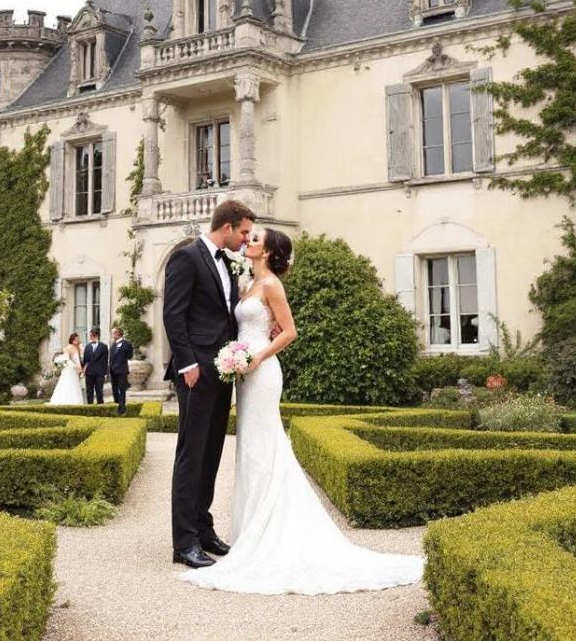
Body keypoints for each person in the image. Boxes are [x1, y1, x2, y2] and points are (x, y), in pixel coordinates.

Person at [179, 227, 423, 594]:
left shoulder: (272, 284)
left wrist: (256, 356)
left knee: (265, 443)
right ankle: (250, 533)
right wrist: (235, 357)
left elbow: (289, 331)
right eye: (249, 236)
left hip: (261, 373)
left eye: (255, 238)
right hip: (243, 373)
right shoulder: (246, 282)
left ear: (268, 251)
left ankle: (272, 531)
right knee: (250, 447)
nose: (249, 241)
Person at [164, 199, 254, 570]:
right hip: (196, 372)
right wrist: (187, 363)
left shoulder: (228, 262)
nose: (247, 239)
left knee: (212, 452)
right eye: (244, 232)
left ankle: (203, 530)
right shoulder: (186, 257)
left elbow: (224, 315)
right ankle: (184, 543)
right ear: (228, 226)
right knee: (191, 455)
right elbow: (174, 313)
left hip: (222, 371)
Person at [47, 332, 85, 405]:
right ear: (72, 340)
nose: (77, 341)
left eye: (78, 339)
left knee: (66, 384)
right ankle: (72, 402)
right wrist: (80, 369)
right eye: (76, 339)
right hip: (72, 370)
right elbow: (74, 360)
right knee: (71, 385)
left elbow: (67, 359)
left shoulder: (67, 348)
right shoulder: (73, 348)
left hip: (68, 369)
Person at [108, 327, 133, 416]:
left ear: (118, 333)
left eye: (113, 333)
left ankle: (122, 409)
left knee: (122, 390)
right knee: (114, 390)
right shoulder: (113, 345)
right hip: (113, 370)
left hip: (122, 370)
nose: (112, 335)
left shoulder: (126, 344)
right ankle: (117, 406)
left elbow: (130, 355)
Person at [81, 328, 109, 405]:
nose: (90, 336)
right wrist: (83, 370)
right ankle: (90, 406)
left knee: (99, 391)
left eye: (91, 335)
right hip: (89, 373)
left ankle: (100, 406)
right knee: (89, 391)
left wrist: (105, 373)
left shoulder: (103, 346)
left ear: (96, 335)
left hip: (99, 373)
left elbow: (105, 361)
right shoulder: (87, 347)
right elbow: (85, 360)